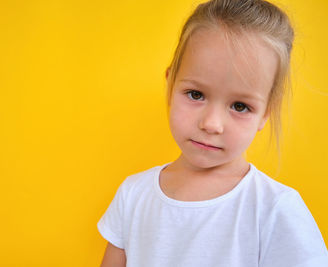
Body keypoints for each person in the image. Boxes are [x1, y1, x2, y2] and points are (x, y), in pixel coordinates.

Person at [97, 0, 328, 266]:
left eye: (240, 106)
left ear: (266, 113)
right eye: (196, 94)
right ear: (171, 83)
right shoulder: (133, 195)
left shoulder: (275, 209)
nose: (212, 124)